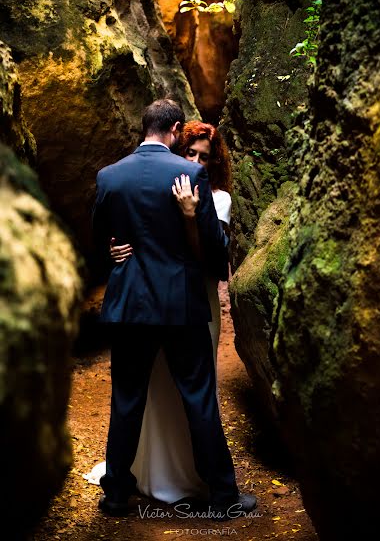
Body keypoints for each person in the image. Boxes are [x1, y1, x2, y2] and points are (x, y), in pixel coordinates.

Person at [91, 99, 256, 519]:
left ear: (143, 127)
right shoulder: (190, 175)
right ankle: (223, 496)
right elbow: (216, 259)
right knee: (199, 399)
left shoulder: (110, 176)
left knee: (126, 399)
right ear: (176, 128)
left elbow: (96, 239)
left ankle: (115, 495)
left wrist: (114, 251)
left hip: (130, 305)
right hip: (179, 305)